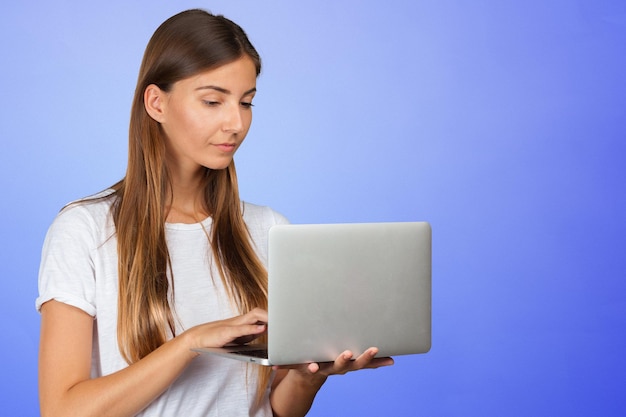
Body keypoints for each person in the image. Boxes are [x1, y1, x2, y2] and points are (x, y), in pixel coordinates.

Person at [36, 9, 393, 417]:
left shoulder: (270, 230)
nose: (236, 123)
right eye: (212, 101)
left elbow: (274, 410)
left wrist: (309, 376)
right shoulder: (85, 230)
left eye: (246, 102)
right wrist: (190, 343)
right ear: (156, 103)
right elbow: (62, 410)